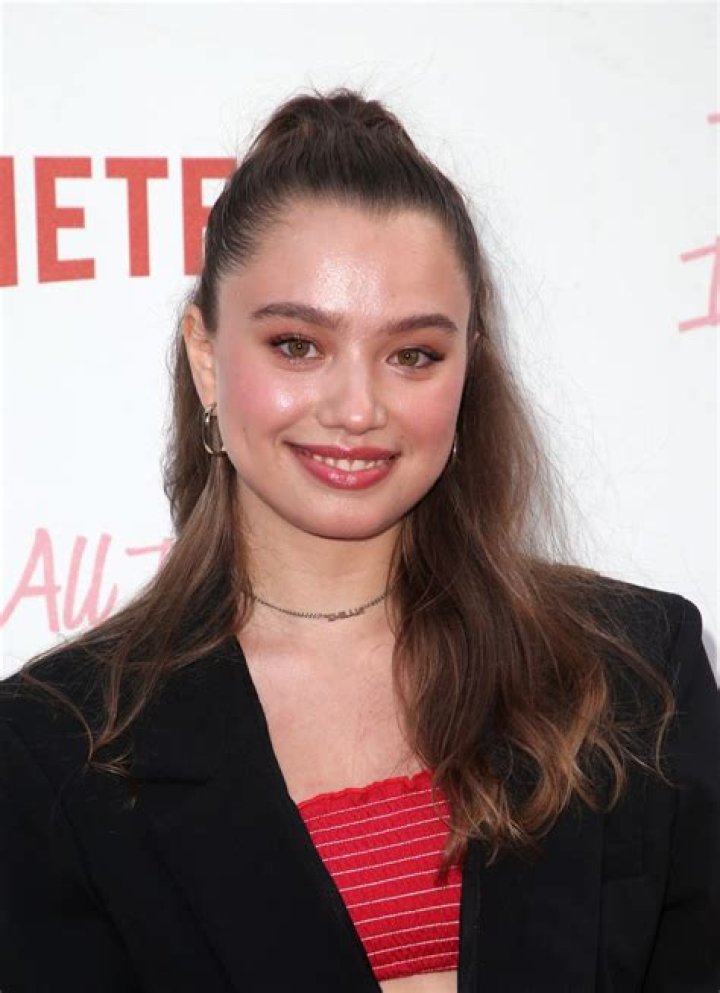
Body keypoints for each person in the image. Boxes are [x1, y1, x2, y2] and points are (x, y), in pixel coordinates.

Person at [1, 87, 719, 993]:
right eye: (297, 344)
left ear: (467, 369)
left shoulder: (637, 671)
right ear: (207, 356)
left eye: (413, 353)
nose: (356, 408)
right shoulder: (56, 749)